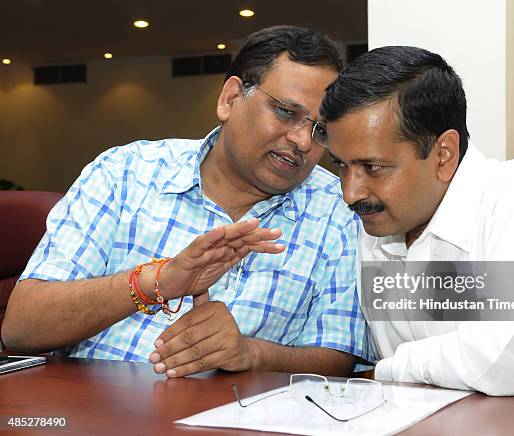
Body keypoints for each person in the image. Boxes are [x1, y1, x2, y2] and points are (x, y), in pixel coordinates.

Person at [2, 26, 372, 377]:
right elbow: (21, 328)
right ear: (230, 99)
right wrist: (157, 281)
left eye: (319, 128)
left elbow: (337, 358)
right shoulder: (125, 173)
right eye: (286, 112)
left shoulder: (338, 209)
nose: (304, 142)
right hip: (92, 410)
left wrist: (250, 354)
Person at [320, 45, 514, 396]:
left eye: (373, 167)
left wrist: (389, 372)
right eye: (341, 165)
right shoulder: (379, 224)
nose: (351, 193)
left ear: (444, 155)